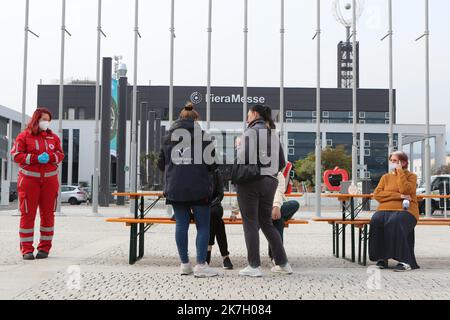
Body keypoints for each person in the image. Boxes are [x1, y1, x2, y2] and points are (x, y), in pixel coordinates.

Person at [158, 102, 218, 278]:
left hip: (176, 187)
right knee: (203, 226)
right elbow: (212, 164)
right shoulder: (203, 137)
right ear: (195, 119)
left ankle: (185, 264)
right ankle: (201, 265)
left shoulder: (167, 137)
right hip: (199, 187)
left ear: (180, 118)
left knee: (181, 225)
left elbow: (161, 164)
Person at [234, 104, 293, 277]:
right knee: (266, 223)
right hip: (270, 182)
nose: (246, 118)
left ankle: (253, 266)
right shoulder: (273, 135)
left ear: (254, 114)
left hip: (250, 183)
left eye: (248, 114)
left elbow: (243, 157)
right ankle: (283, 263)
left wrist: (238, 145)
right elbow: (282, 163)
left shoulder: (250, 132)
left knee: (250, 222)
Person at [11, 107, 64, 260]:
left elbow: (60, 154)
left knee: (48, 215)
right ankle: (27, 250)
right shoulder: (24, 136)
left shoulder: (53, 138)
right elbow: (15, 155)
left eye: (48, 120)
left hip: (50, 181)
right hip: (29, 181)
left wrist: (51, 157)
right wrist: (35, 158)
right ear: (36, 120)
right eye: (43, 119)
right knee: (28, 214)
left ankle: (44, 249)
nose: (46, 122)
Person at [370, 151, 420, 272]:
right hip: (384, 208)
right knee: (376, 220)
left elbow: (406, 189)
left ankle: (405, 261)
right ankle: (381, 257)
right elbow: (377, 195)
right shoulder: (385, 177)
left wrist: (400, 173)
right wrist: (399, 196)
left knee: (395, 221)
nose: (392, 163)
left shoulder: (411, 176)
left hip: (406, 210)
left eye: (395, 161)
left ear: (403, 162)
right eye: (391, 160)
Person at [268, 162, 300, 263]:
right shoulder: (255, 173)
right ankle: (277, 257)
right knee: (279, 220)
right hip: (264, 208)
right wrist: (234, 212)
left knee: (294, 204)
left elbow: (278, 191)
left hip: (277, 207)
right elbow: (243, 192)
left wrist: (276, 206)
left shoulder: (278, 175)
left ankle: (275, 256)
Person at [206, 168, 234, 269]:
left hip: (214, 205)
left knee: (214, 215)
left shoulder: (216, 171)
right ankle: (225, 256)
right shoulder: (196, 169)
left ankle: (207, 251)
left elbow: (220, 194)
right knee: (218, 221)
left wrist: (211, 204)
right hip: (200, 205)